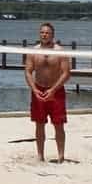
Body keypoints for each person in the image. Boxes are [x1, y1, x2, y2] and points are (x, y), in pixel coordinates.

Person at [24, 22, 71, 162]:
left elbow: (66, 73)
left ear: (52, 35)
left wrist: (53, 89)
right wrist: (34, 89)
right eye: (42, 32)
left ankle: (61, 156)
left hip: (56, 91)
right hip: (38, 90)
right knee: (39, 124)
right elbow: (28, 71)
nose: (44, 35)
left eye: (47, 33)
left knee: (58, 124)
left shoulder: (60, 51)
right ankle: (40, 155)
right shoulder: (33, 51)